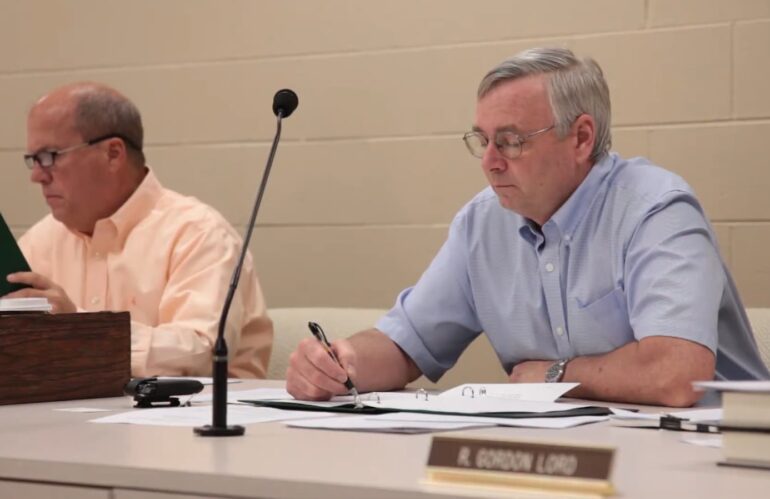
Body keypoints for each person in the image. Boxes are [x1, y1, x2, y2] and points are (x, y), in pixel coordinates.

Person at [286, 47, 769, 407]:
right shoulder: (484, 222)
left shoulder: (655, 210)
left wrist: (555, 374)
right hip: (570, 455)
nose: (490, 163)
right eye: (483, 141)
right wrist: (342, 362)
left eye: (512, 141)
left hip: (717, 461)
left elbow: (676, 374)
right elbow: (405, 344)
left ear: (581, 137)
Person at [4, 82, 272, 378]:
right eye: (33, 160)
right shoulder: (40, 241)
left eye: (49, 156)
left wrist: (79, 330)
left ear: (113, 154)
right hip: (67, 416)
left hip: (188, 420)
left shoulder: (199, 234)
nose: (37, 176)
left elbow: (203, 351)